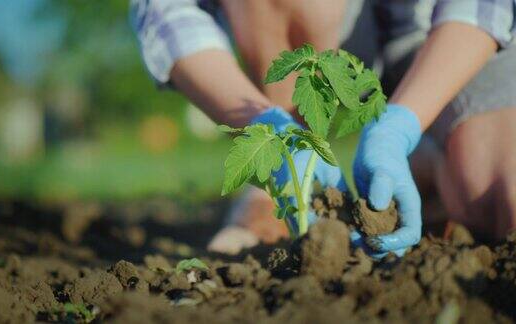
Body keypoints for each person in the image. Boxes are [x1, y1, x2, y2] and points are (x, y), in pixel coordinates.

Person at [131, 0, 516, 256]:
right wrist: (274, 133)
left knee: (500, 198)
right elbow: (166, 11)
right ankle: (276, 194)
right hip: (329, 21)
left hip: (443, 31)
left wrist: (399, 125)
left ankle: (428, 166)